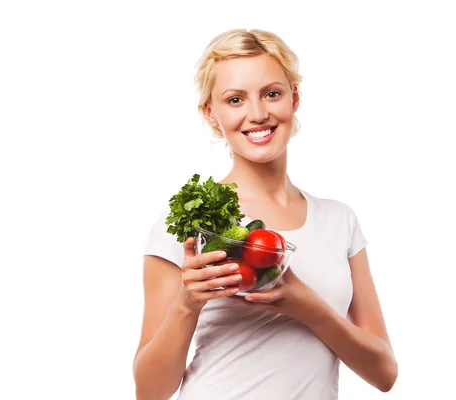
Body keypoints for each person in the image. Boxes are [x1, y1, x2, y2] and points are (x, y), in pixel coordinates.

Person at [133, 28, 398, 400]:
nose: (257, 114)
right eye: (235, 99)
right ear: (211, 113)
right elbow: (149, 392)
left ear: (294, 98)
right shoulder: (190, 225)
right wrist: (187, 303)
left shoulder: (340, 221)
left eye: (271, 94)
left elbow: (384, 373)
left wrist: (308, 307)